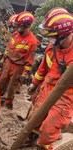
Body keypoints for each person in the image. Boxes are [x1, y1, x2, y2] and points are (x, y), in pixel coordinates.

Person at [25, 10, 73, 150]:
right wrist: (34, 84)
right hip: (47, 87)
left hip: (65, 95)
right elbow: (43, 68)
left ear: (64, 35)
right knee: (34, 118)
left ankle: (44, 145)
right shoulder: (52, 48)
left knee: (48, 129)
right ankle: (32, 137)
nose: (50, 40)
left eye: (52, 36)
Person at [0, 11, 38, 109]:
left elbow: (29, 60)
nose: (17, 28)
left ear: (26, 26)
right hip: (8, 63)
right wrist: (3, 58)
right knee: (1, 81)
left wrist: (25, 73)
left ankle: (8, 103)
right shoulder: (15, 34)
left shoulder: (32, 41)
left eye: (20, 26)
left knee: (12, 86)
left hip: (18, 66)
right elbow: (8, 47)